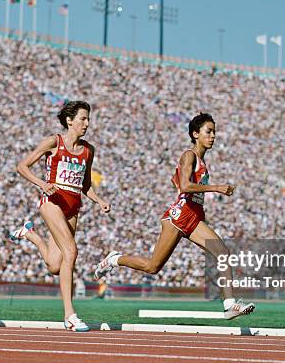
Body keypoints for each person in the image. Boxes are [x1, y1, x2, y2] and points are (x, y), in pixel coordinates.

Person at [95, 113, 255, 319]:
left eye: (214, 132)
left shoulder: (202, 162)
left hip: (194, 217)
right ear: (195, 134)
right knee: (152, 267)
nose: (213, 136)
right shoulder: (189, 155)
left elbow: (176, 181)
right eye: (209, 131)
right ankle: (115, 259)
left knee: (222, 252)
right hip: (179, 218)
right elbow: (185, 186)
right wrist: (216, 188)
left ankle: (229, 305)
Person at [10, 100, 110, 332]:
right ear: (69, 120)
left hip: (73, 206)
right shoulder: (53, 142)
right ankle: (70, 315)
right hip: (52, 202)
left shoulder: (88, 150)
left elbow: (86, 185)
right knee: (71, 251)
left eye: (88, 119)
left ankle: (30, 234)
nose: (87, 123)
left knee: (55, 265)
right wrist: (42, 184)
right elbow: (22, 166)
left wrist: (100, 201)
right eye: (83, 118)